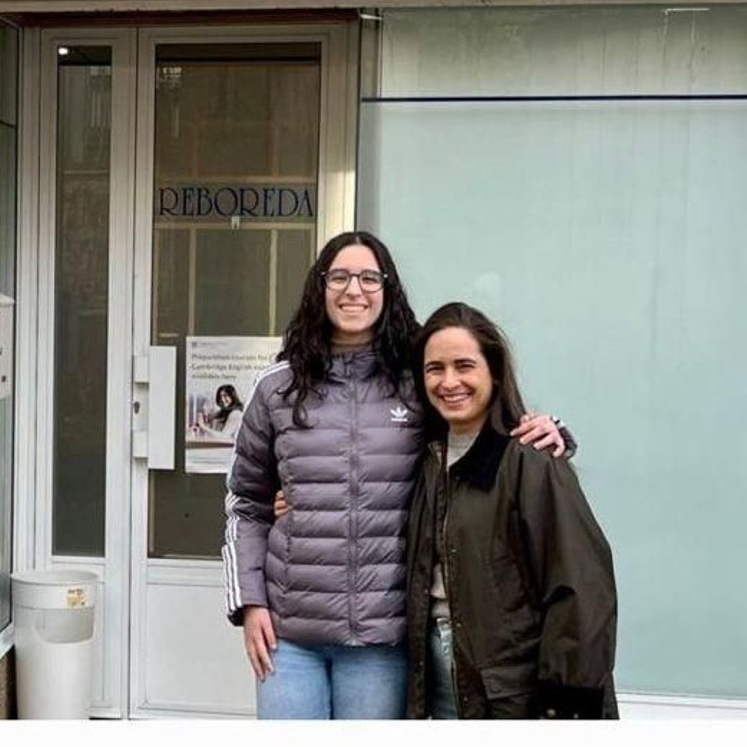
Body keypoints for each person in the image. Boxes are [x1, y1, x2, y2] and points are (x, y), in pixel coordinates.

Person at [222, 231, 571, 720]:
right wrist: (250, 603)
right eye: (339, 276)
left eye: (369, 277)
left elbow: (479, 424)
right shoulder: (277, 387)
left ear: (387, 290)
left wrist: (547, 431)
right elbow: (246, 503)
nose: (353, 290)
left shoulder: (417, 382)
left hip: (382, 639)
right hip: (288, 635)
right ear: (319, 287)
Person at [404, 302, 617, 719]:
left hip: (515, 694)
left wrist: (565, 702)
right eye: (435, 368)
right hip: (441, 680)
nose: (450, 382)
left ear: (494, 371)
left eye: (465, 365)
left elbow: (579, 586)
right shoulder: (426, 460)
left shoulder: (531, 461)